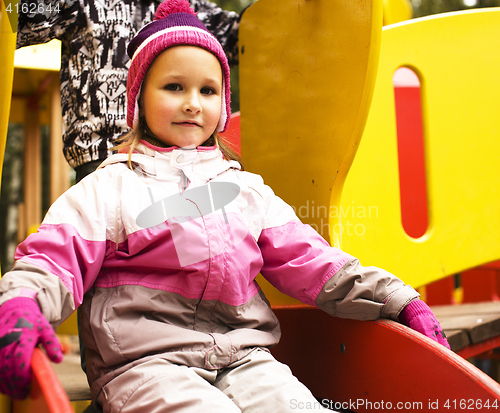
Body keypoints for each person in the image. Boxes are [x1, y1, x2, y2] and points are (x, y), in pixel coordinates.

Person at [1, 0, 449, 411]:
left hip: (243, 358)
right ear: (138, 99)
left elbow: (316, 262)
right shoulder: (110, 188)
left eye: (208, 91)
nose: (193, 104)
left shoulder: (245, 191)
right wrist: (22, 304)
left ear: (224, 101)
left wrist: (395, 298)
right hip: (144, 364)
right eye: (174, 87)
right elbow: (54, 260)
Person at [16, 0, 241, 182]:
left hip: (189, 158)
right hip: (102, 155)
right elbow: (19, 14)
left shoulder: (195, 9)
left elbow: (248, 34)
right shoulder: (79, 3)